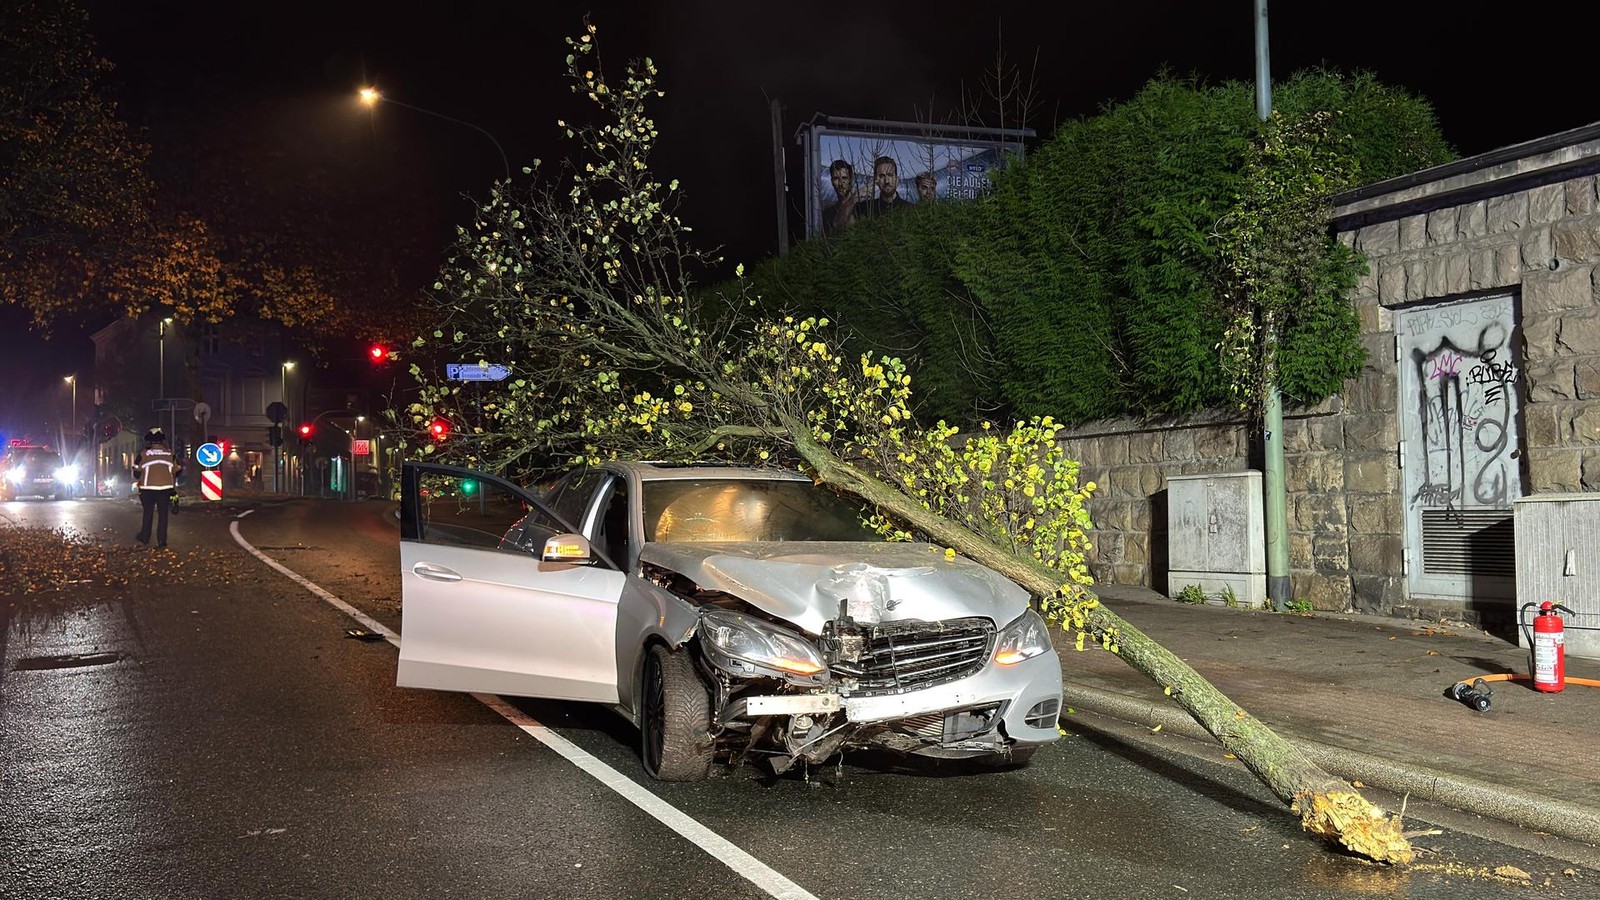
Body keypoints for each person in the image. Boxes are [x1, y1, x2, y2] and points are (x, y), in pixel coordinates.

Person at [133, 427, 181, 549]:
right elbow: (178, 470)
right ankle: (162, 542)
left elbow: (136, 472)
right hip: (165, 489)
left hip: (147, 489)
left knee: (148, 513)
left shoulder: (143, 454)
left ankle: (145, 538)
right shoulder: (170, 454)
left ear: (150, 441)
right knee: (163, 515)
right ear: (162, 441)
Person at [820, 159, 860, 236]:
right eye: (836, 178)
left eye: (844, 178)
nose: (841, 183)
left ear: (850, 180)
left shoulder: (861, 208)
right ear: (832, 182)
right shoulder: (827, 213)